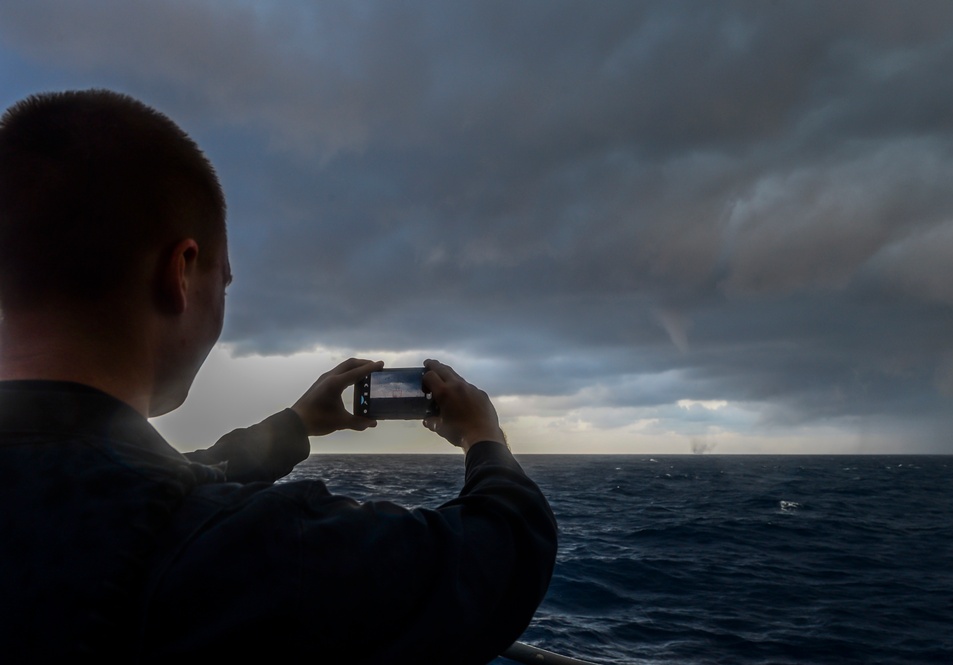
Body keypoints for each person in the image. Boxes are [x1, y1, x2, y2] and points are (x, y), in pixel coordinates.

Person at [0, 89, 557, 663]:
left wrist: (295, 426)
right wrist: (483, 438)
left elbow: (160, 490)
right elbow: (504, 553)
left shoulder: (137, 512)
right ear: (182, 273)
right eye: (226, 282)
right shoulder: (244, 553)